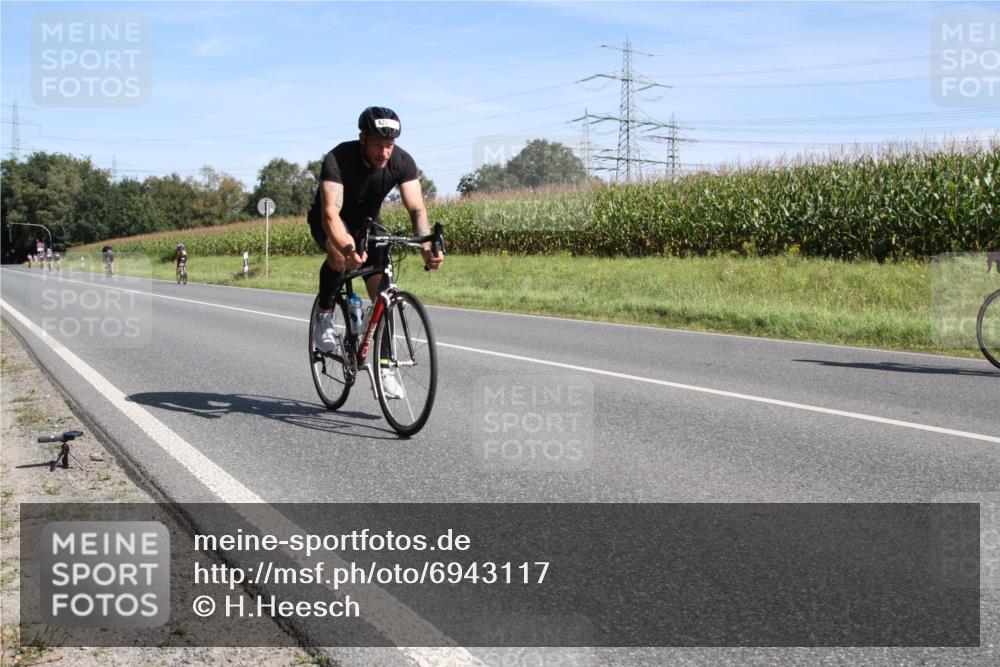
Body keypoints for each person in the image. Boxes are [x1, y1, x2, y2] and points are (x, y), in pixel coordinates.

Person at [307, 106, 444, 399]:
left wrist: (426, 246)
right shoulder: (338, 159)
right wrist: (346, 245)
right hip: (334, 221)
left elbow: (417, 208)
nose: (385, 152)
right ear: (362, 139)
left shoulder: (401, 161)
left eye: (390, 145)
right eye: (379, 145)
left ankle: (384, 370)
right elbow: (330, 213)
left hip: (370, 225)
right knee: (337, 254)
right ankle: (324, 314)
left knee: (384, 294)